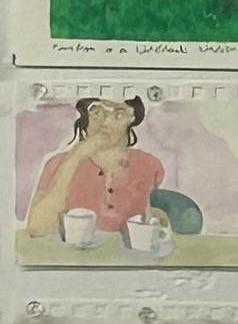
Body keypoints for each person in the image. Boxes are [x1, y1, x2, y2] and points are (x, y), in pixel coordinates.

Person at [23, 92, 167, 245]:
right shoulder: (58, 164)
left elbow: (157, 220)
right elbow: (37, 229)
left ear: (132, 119)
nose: (105, 122)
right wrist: (75, 157)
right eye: (96, 112)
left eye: (118, 114)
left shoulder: (150, 165)